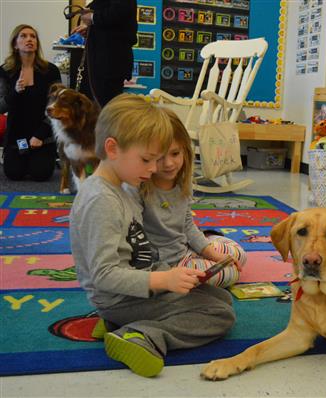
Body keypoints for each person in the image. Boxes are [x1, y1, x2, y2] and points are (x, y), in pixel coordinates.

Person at [70, 94, 235, 378]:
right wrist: (164, 279)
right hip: (120, 298)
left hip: (139, 285)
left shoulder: (118, 189)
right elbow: (104, 274)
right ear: (112, 148)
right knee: (221, 316)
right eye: (147, 159)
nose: (153, 168)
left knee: (221, 299)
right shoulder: (101, 200)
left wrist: (170, 275)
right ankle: (141, 334)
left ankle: (112, 324)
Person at [136, 111, 247, 288]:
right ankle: (208, 246)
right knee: (226, 273)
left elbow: (187, 225)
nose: (169, 164)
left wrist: (212, 254)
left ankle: (209, 239)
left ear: (185, 152)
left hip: (186, 249)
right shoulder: (140, 187)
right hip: (166, 264)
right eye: (160, 157)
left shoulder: (180, 183)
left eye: (175, 153)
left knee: (239, 255)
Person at [0, 24, 61, 181]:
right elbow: (1, 107)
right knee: (14, 174)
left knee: (40, 174)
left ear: (37, 43)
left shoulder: (51, 71)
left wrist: (40, 134)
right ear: (15, 44)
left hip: (43, 136)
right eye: (23, 36)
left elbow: (58, 107)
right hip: (16, 137)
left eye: (33, 36)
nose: (29, 39)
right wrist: (15, 92)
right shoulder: (5, 70)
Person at [71, 0, 137, 106]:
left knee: (107, 105)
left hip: (111, 60)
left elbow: (119, 12)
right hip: (103, 59)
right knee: (100, 103)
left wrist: (93, 18)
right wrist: (91, 29)